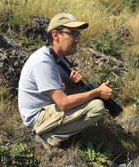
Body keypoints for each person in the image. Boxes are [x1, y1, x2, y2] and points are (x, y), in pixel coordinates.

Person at [18, 13, 113, 147]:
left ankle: (59, 131)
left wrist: (71, 84)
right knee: (96, 107)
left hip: (48, 108)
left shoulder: (58, 58)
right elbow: (63, 103)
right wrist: (96, 93)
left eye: (78, 35)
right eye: (72, 34)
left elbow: (63, 93)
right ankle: (49, 137)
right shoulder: (43, 62)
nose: (77, 40)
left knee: (86, 89)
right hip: (37, 117)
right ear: (56, 35)